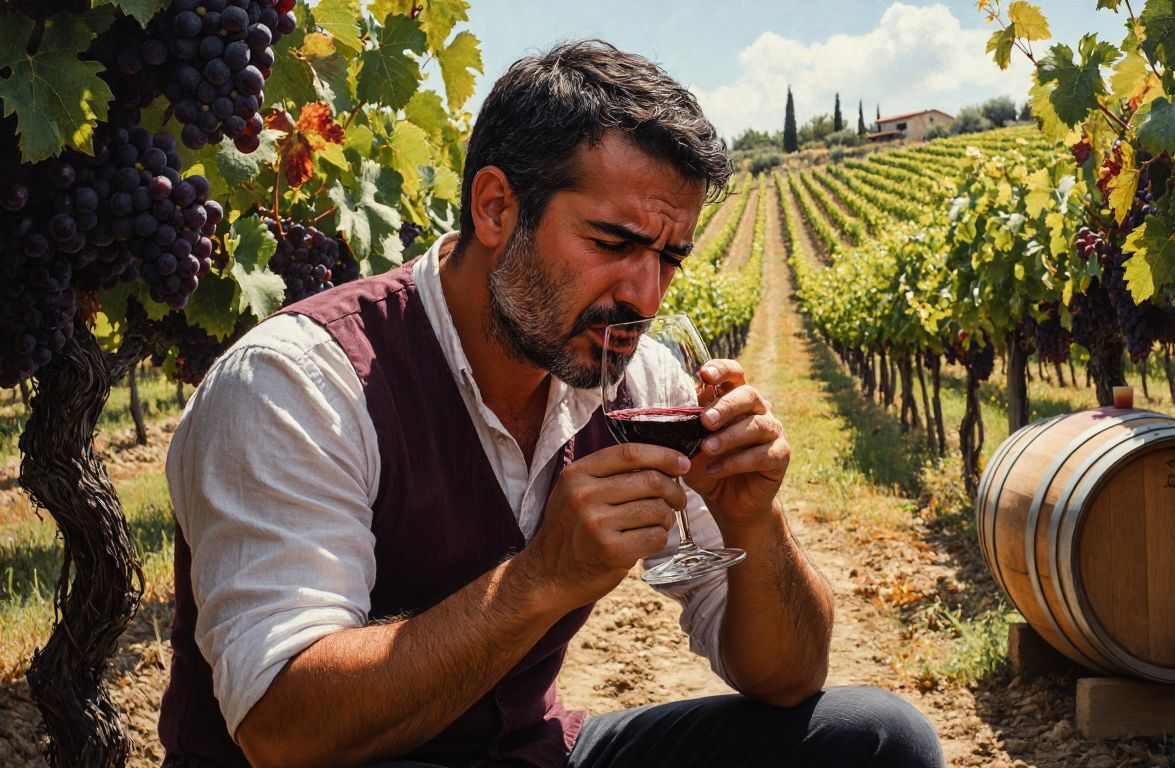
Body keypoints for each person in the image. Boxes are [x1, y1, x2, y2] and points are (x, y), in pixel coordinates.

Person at [158, 39, 943, 768]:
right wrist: (539, 579)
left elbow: (788, 676)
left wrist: (753, 524)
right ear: (496, 207)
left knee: (877, 743)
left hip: (532, 755)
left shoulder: (640, 382)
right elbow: (281, 729)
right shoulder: (300, 383)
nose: (645, 293)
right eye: (612, 243)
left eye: (670, 257)